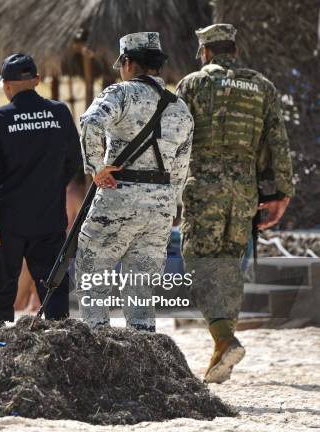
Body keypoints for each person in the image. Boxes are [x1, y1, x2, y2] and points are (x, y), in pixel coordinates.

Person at [176, 24, 294, 383]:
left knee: (197, 261)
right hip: (245, 190)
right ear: (235, 50)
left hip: (203, 188)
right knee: (229, 267)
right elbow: (279, 143)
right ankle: (220, 350)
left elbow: (176, 140)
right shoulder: (262, 86)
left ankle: (224, 339)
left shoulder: (191, 84)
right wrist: (282, 194)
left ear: (206, 52)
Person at [75, 32, 193, 331]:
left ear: (128, 62)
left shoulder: (121, 94)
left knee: (93, 275)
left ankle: (97, 343)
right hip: (161, 205)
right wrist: (173, 202)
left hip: (119, 195)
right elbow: (180, 165)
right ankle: (143, 351)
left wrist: (95, 168)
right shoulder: (180, 108)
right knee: (141, 288)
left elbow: (90, 122)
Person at [0, 53, 82, 324]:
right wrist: (51, 186)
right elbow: (75, 161)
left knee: (1, 284)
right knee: (53, 285)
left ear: (7, 85)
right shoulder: (59, 112)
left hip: (9, 218)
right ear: (37, 80)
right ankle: (59, 336)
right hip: (49, 214)